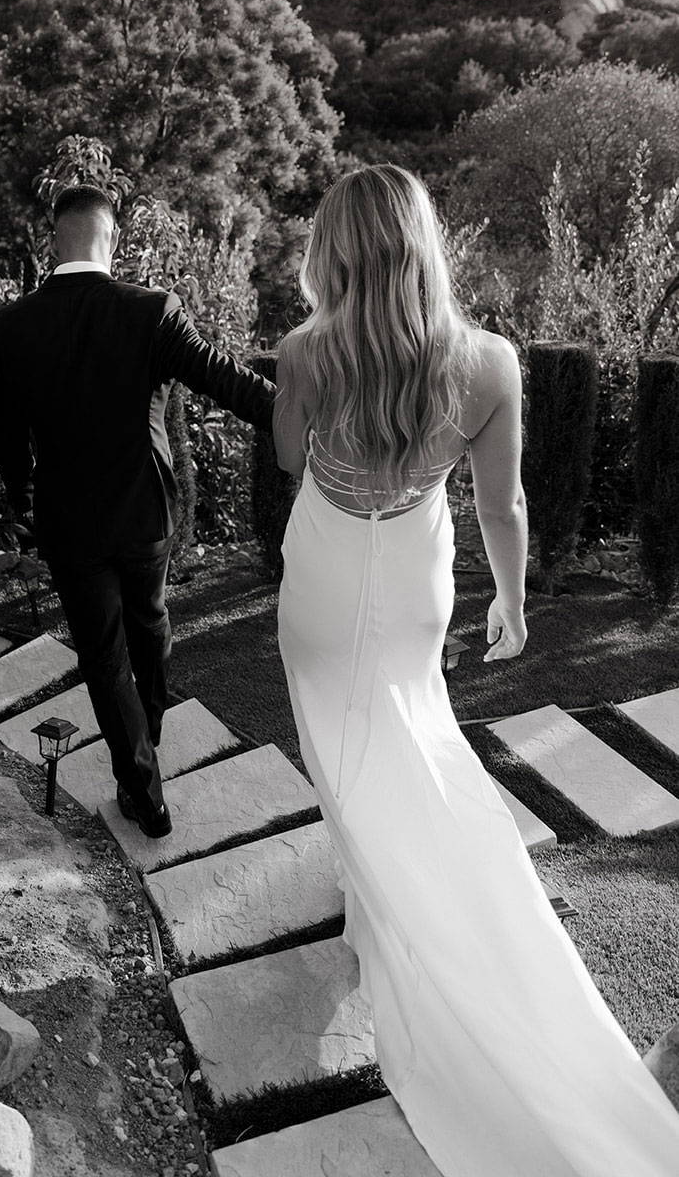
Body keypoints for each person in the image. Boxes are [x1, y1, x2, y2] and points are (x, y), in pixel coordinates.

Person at [273, 165, 679, 1176]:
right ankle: (382, 900)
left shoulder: (302, 353)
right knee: (412, 726)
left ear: (331, 251)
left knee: (336, 738)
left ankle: (376, 904)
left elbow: (291, 458)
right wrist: (508, 594)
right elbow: (499, 508)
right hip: (414, 577)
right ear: (424, 246)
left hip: (323, 573)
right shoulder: (488, 363)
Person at [0, 184, 274, 837]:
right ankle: (146, 761)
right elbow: (223, 378)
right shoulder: (151, 311)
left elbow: (3, 438)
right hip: (145, 517)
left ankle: (142, 786)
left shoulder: (5, 329)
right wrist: (298, 416)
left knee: (107, 658)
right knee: (149, 630)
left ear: (53, 240)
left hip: (68, 524)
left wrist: (23, 502)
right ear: (112, 239)